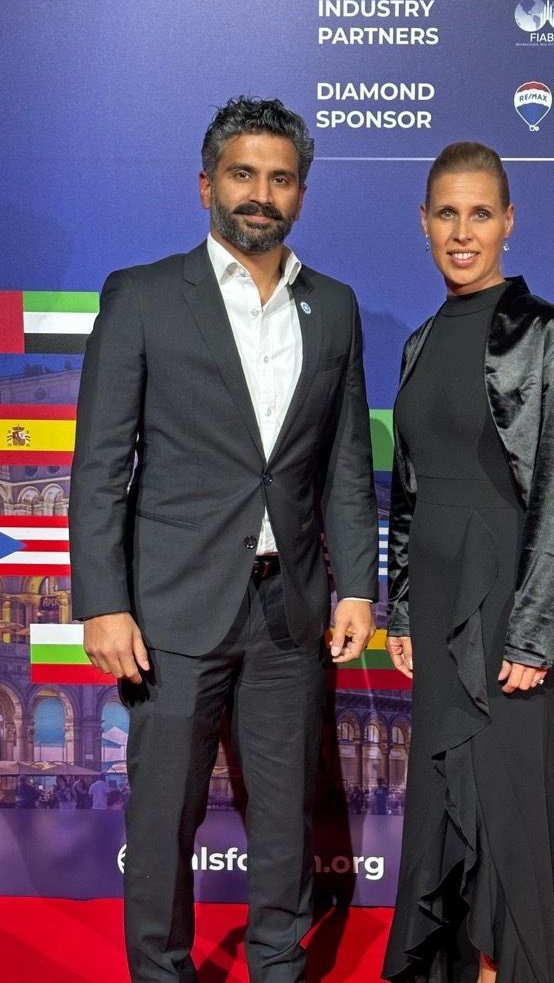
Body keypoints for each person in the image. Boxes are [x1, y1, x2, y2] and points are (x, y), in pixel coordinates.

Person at [69, 96, 378, 982]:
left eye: (280, 178)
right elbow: (99, 467)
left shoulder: (336, 308)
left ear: (301, 196)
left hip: (291, 615)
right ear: (208, 183)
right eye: (243, 174)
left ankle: (278, 967)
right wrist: (104, 603)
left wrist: (357, 586)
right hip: (169, 610)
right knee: (162, 817)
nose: (260, 193)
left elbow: (346, 466)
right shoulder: (142, 295)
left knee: (284, 819)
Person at [383, 143, 554, 983]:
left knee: (506, 808)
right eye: (445, 213)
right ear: (423, 223)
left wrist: (534, 633)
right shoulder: (422, 341)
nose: (461, 232)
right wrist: (399, 605)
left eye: (479, 213)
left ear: (508, 221)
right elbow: (407, 491)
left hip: (504, 600)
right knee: (439, 799)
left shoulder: (551, 337)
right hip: (432, 607)